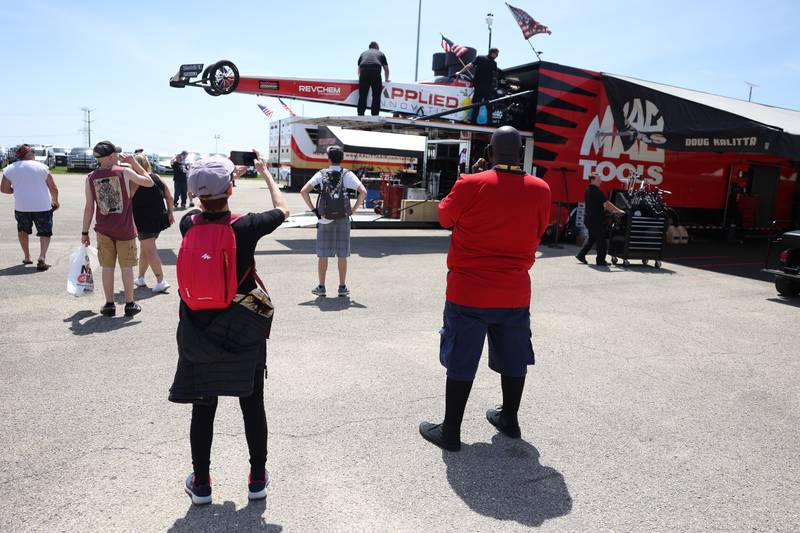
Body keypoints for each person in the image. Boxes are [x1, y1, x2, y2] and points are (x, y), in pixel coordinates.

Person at [419, 126, 551, 452]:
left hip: (469, 291)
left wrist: (474, 179)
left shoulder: (470, 183)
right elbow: (539, 228)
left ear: (490, 153)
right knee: (514, 356)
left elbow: (444, 217)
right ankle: (510, 419)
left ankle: (451, 432)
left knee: (462, 357)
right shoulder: (541, 188)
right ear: (520, 154)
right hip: (514, 291)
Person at [169, 151, 289, 506]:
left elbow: (204, 206)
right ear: (231, 190)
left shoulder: (188, 224)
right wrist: (266, 174)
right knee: (252, 405)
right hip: (241, 327)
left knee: (203, 406)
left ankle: (202, 483)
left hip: (198, 329)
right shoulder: (245, 226)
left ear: (195, 194)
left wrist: (219, 181)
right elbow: (282, 209)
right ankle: (256, 479)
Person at [81, 141, 154, 317]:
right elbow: (149, 182)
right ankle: (129, 304)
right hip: (125, 229)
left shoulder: (90, 177)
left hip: (103, 229)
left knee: (107, 267)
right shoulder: (125, 172)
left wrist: (84, 232)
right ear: (112, 156)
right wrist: (135, 163)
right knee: (126, 266)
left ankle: (109, 304)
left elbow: (89, 207)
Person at [299, 145, 366, 297]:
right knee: (342, 254)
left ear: (328, 158)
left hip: (324, 219)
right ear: (342, 159)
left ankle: (321, 287)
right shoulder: (347, 174)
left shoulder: (321, 174)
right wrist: (353, 210)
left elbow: (304, 191)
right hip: (343, 217)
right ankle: (342, 287)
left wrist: (314, 210)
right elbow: (363, 191)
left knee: (323, 254)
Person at [1, 144, 59, 270]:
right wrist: (55, 201)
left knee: (23, 231)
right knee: (45, 232)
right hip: (43, 206)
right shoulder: (43, 167)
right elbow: (53, 188)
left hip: (22, 206)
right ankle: (42, 257)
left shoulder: (9, 169)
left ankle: (27, 257)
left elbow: (4, 189)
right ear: (32, 154)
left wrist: (15, 190)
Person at [131, 153, 174, 293]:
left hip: (144, 221)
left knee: (149, 251)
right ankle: (141, 278)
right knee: (145, 249)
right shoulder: (156, 177)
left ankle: (161, 280)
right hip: (159, 220)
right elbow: (169, 196)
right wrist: (170, 213)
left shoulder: (136, 180)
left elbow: (127, 200)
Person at [575, 173, 625, 266]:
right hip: (596, 221)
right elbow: (606, 204)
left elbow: (600, 205)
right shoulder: (596, 192)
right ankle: (601, 261)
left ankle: (581, 255)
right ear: (592, 180)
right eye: (598, 180)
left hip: (589, 220)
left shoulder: (588, 190)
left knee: (592, 239)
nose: (600, 181)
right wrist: (618, 211)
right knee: (602, 242)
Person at [456, 48, 500, 124]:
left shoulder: (482, 58)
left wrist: (460, 72)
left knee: (478, 106)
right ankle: (488, 124)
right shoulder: (492, 62)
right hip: (485, 87)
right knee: (487, 106)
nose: (496, 56)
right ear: (492, 53)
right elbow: (496, 76)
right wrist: (460, 72)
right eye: (496, 54)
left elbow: (470, 65)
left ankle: (474, 122)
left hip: (480, 86)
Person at [357, 42, 389, 116]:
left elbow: (359, 70)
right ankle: (374, 114)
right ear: (377, 47)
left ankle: (360, 113)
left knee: (363, 95)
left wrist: (361, 79)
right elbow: (386, 69)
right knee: (376, 95)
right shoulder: (380, 53)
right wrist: (386, 79)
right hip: (375, 72)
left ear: (369, 47)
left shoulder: (363, 54)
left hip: (364, 72)